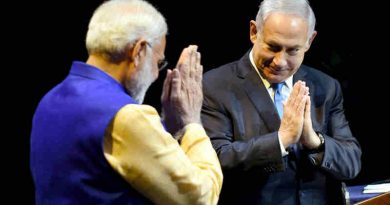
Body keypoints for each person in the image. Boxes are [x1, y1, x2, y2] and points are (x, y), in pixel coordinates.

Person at [30, 0, 223, 204]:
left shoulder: (49, 100)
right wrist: (191, 124)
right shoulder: (126, 115)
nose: (157, 74)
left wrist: (169, 130)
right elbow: (201, 198)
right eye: (159, 63)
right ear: (139, 51)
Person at [201, 0, 361, 204]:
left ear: (309, 41)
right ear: (253, 32)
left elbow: (351, 163)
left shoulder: (326, 87)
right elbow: (216, 160)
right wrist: (282, 139)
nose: (280, 61)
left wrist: (314, 142)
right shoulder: (215, 85)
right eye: (273, 47)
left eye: (293, 50)